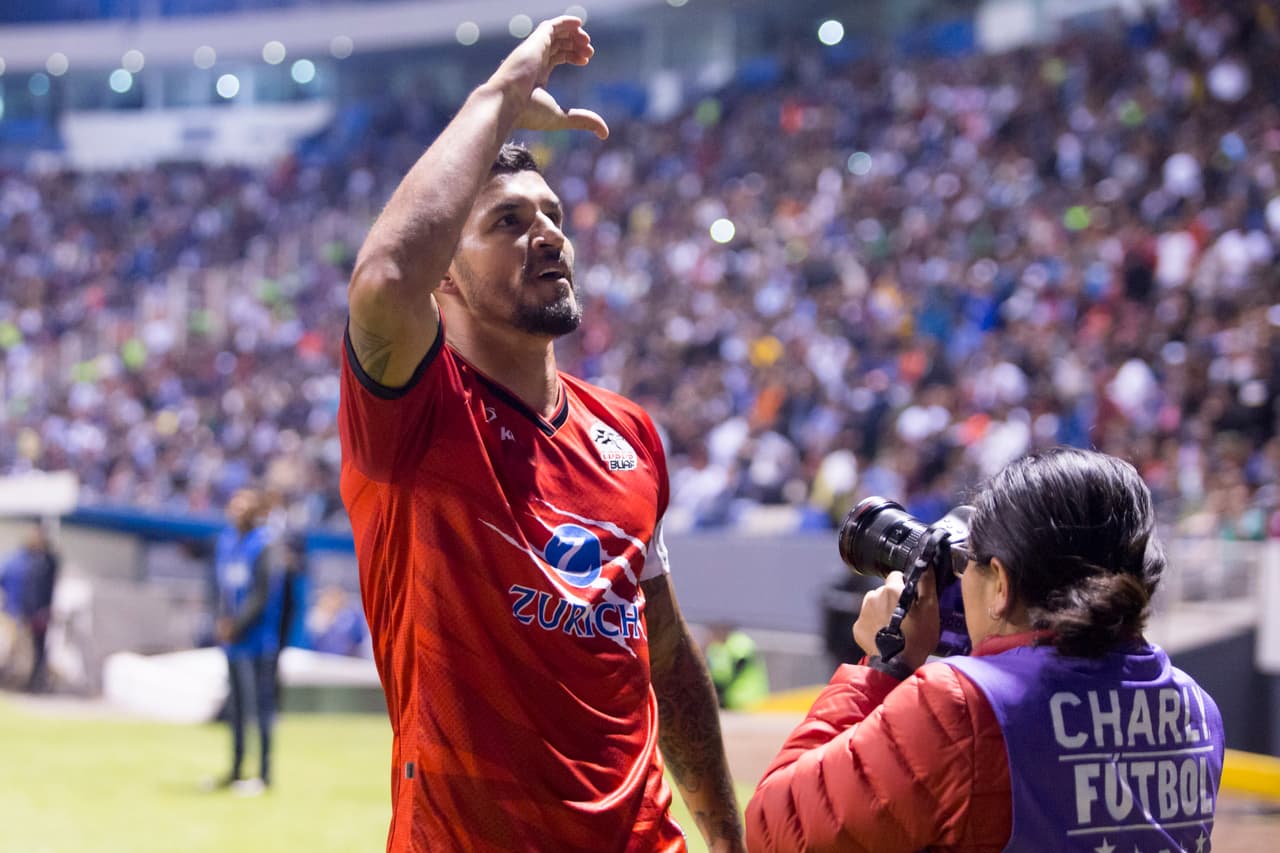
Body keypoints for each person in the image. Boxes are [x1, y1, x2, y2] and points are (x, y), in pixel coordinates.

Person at [339, 16, 744, 852]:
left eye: (552, 215)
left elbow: (664, 653)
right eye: (508, 222)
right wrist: (503, 92)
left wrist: (728, 840)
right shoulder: (415, 420)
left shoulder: (629, 435)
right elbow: (383, 279)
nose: (549, 233)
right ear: (443, 273)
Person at [746, 448, 1224, 852]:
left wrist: (886, 666)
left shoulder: (960, 705)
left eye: (967, 561)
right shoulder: (1198, 708)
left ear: (1001, 584)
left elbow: (775, 828)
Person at [211, 489, 285, 794]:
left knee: (261, 709)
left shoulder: (266, 544)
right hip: (233, 643)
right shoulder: (227, 542)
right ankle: (237, 770)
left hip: (258, 642)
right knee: (237, 710)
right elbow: (221, 588)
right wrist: (221, 622)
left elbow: (262, 593)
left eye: (243, 504)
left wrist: (236, 625)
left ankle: (264, 775)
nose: (236, 509)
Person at [0, 524, 60, 692]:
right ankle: (12, 682)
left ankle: (33, 683)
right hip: (16, 611)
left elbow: (48, 589)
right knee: (13, 649)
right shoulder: (19, 560)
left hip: (37, 613)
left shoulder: (47, 562)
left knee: (35, 649)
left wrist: (45, 609)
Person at [705, 623, 769, 711]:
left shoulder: (739, 643)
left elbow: (738, 668)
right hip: (732, 701)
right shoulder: (717, 648)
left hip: (748, 700)